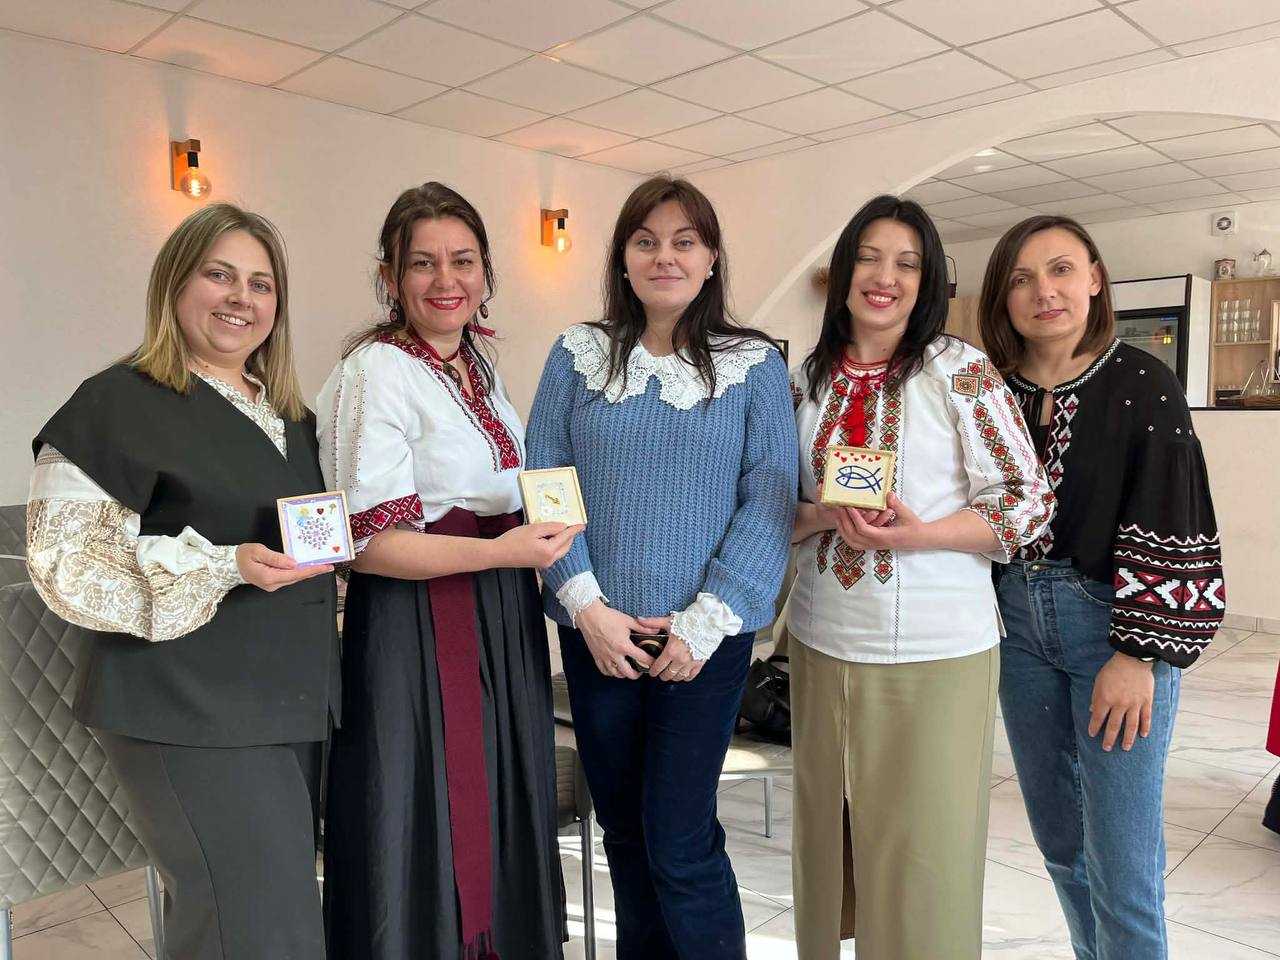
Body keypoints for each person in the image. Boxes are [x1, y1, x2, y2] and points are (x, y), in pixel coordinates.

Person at [26, 203, 338, 960]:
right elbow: (64, 562)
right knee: (255, 929)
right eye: (219, 275)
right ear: (174, 283)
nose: (241, 298)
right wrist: (223, 564)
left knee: (263, 922)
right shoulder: (116, 401)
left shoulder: (290, 418)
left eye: (261, 284)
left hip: (286, 705)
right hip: (183, 707)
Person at [525, 175, 796, 960]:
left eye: (684, 242)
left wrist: (704, 622)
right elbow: (546, 480)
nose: (664, 257)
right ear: (623, 258)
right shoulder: (578, 355)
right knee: (622, 831)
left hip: (704, 642)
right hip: (598, 635)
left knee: (679, 838)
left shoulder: (752, 364)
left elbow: (770, 500)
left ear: (711, 259)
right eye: (645, 242)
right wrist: (586, 606)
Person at [787, 195, 1054, 960]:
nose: (885, 277)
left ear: (927, 279)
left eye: (906, 264)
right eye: (869, 258)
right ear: (843, 271)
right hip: (822, 643)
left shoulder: (958, 372)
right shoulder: (805, 379)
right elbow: (776, 509)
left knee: (925, 859)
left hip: (936, 654)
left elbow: (1027, 503)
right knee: (829, 843)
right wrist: (821, 515)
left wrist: (922, 534)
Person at [317, 181, 574, 960]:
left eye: (463, 260)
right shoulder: (374, 372)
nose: (445, 279)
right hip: (418, 623)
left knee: (498, 794)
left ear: (486, 272)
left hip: (500, 611)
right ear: (390, 277)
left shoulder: (477, 366)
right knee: (422, 806)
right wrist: (502, 552)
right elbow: (369, 543)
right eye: (422, 262)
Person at [978, 214, 1225, 960]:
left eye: (1060, 270)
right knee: (1060, 846)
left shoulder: (1143, 383)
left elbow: (1177, 519)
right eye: (1021, 278)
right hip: (1017, 634)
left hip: (1110, 632)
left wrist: (1136, 655)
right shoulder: (989, 391)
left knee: (1123, 867)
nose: (1043, 292)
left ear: (1094, 279)